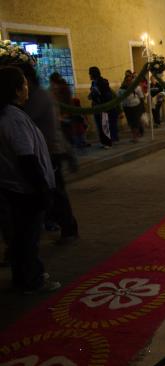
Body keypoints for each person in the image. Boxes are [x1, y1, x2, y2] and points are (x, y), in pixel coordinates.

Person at [0, 66, 60, 293]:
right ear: (16, 90)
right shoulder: (13, 118)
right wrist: (42, 188)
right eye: (24, 85)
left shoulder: (10, 114)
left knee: (20, 236)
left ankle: (25, 274)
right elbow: (26, 156)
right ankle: (31, 280)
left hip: (15, 187)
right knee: (27, 237)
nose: (28, 89)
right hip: (24, 189)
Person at [22, 62, 79, 244]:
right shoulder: (40, 96)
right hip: (48, 150)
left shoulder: (38, 98)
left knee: (55, 193)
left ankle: (67, 228)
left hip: (49, 152)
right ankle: (60, 224)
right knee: (54, 192)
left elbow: (34, 123)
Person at [88, 66, 118, 148]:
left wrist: (97, 93)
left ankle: (108, 142)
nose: (89, 75)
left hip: (104, 107)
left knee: (105, 125)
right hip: (96, 107)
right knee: (99, 125)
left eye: (90, 73)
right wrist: (91, 95)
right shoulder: (93, 83)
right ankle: (103, 142)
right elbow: (93, 92)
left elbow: (106, 95)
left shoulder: (103, 82)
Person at [119, 71, 145, 142]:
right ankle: (135, 134)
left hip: (136, 106)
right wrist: (120, 110)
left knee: (135, 122)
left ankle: (135, 137)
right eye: (127, 80)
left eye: (130, 80)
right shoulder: (122, 89)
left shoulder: (136, 87)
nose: (128, 82)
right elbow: (119, 99)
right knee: (130, 122)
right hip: (127, 107)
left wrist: (142, 108)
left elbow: (141, 97)